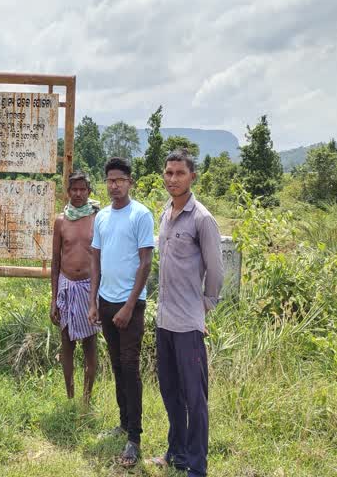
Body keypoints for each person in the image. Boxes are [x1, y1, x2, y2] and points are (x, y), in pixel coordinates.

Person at [148, 150, 223, 477]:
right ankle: (176, 452)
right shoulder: (165, 213)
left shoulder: (202, 219)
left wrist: (204, 306)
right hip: (164, 322)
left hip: (189, 326)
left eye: (179, 173)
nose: (173, 179)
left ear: (192, 176)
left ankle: (197, 466)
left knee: (196, 398)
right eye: (168, 172)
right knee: (170, 392)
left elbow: (216, 271)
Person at [88, 157, 154, 467]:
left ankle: (134, 438)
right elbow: (95, 261)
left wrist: (129, 305)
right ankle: (123, 423)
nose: (114, 185)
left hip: (131, 305)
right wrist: (93, 302)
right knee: (116, 366)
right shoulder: (101, 217)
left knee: (130, 367)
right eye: (110, 180)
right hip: (105, 302)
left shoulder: (140, 215)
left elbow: (145, 263)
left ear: (130, 182)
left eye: (120, 180)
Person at [50, 171, 101, 403]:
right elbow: (56, 261)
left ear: (89, 191)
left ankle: (87, 398)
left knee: (90, 344)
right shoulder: (61, 221)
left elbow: (103, 257)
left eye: (83, 189)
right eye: (74, 189)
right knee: (67, 343)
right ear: (68, 192)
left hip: (89, 289)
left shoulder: (97, 218)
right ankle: (71, 397)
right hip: (67, 287)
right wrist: (53, 299)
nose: (78, 193)